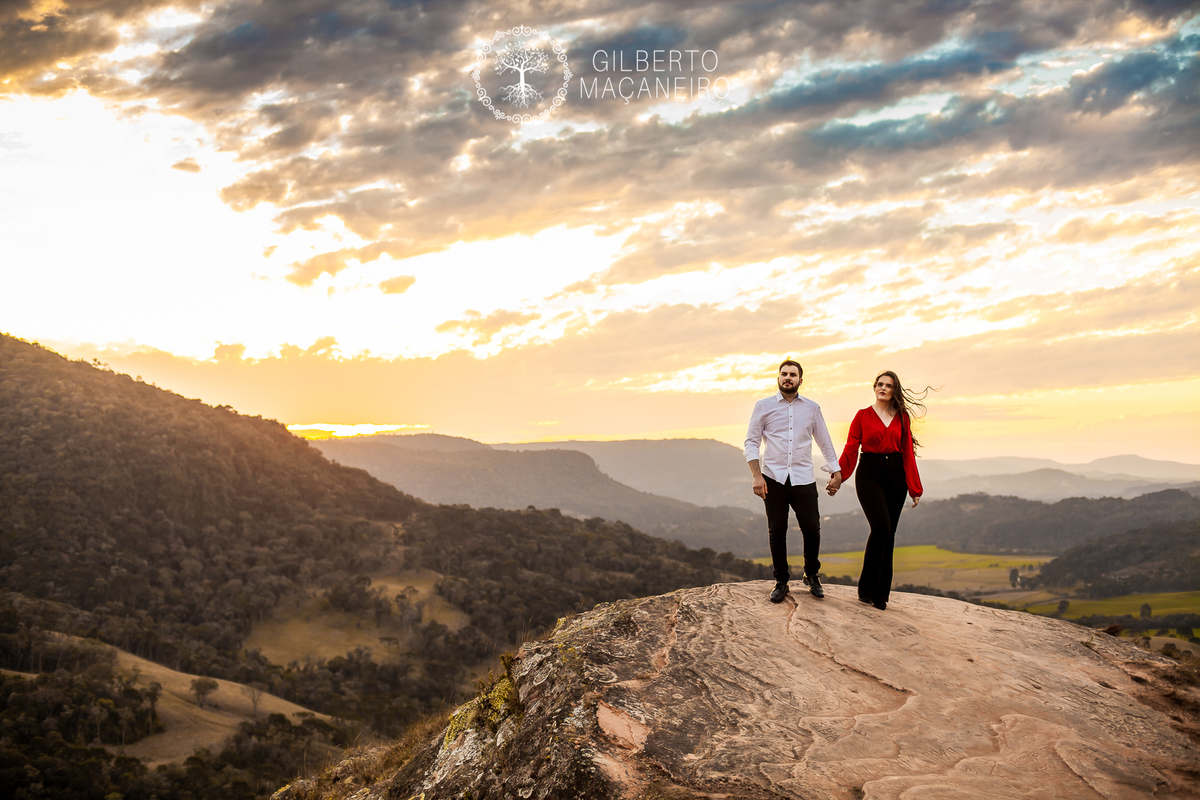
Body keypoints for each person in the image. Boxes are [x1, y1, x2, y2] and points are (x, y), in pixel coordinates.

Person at [745, 359, 842, 603]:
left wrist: (836, 471)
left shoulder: (812, 408)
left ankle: (812, 575)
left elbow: (825, 442)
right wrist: (757, 475)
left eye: (793, 374)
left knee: (812, 528)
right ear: (778, 378)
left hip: (803, 477)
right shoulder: (764, 406)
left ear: (801, 379)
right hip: (773, 478)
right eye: (784, 374)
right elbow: (751, 442)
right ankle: (781, 581)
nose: (788, 378)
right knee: (777, 530)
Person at [831, 370, 926, 611]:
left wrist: (915, 487)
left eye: (889, 386)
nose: (883, 388)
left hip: (895, 475)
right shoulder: (862, 416)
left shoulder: (903, 418)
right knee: (881, 527)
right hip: (869, 473)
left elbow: (907, 454)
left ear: (895, 390)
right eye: (880, 384)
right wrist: (838, 476)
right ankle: (866, 589)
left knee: (890, 533)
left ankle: (881, 595)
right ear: (874, 388)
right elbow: (851, 447)